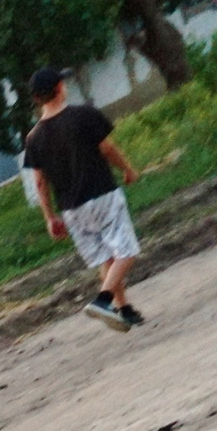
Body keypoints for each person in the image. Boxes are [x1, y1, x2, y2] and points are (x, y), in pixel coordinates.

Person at [23, 66, 145, 331]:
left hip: (72, 209)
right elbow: (107, 148)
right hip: (101, 194)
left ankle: (123, 309)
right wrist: (127, 169)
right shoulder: (83, 115)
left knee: (106, 258)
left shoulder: (33, 138)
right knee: (127, 251)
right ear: (59, 89)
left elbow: (40, 182)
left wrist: (49, 217)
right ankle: (103, 300)